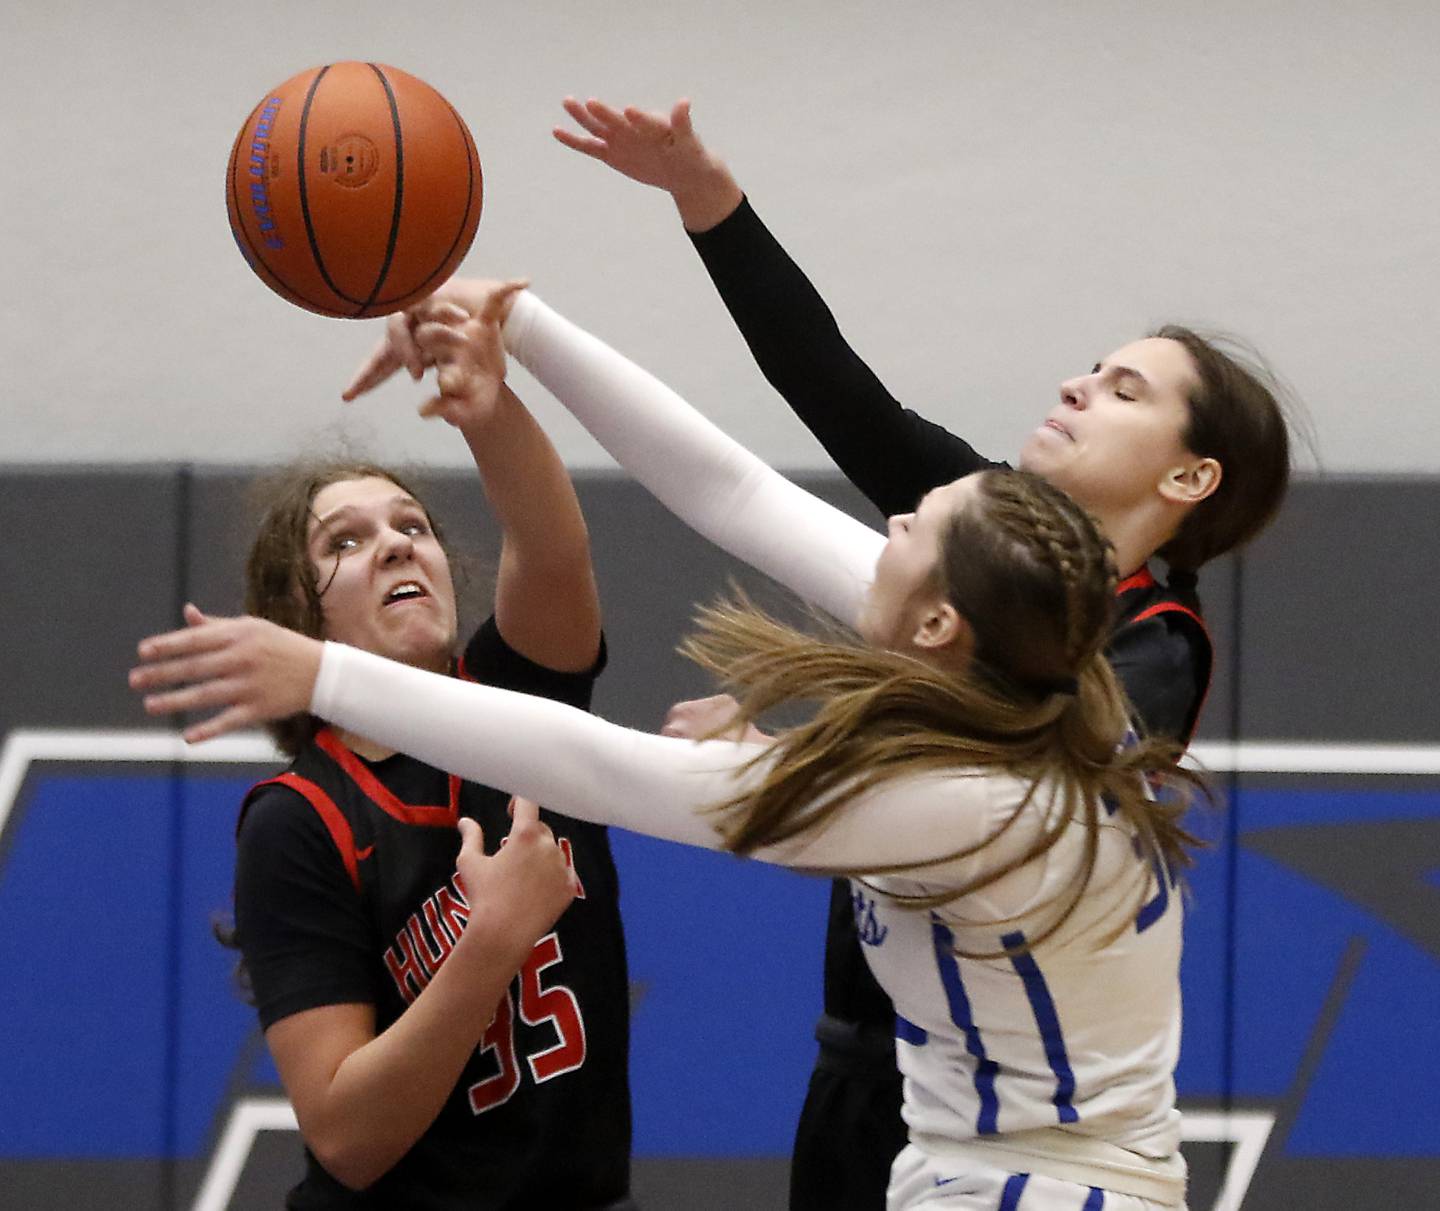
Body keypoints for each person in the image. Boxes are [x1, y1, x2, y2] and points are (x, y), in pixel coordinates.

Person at [134, 284, 1209, 1210]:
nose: (884, 530)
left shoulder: (970, 795)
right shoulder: (1015, 669)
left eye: (913, 524)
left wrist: (321, 672)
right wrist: (521, 317)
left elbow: (604, 767)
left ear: (938, 622)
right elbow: (730, 488)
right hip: (967, 1166)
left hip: (1050, 1185)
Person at [552, 97, 1293, 1209]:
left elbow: (1004, 785)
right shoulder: (977, 529)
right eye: (1093, 367)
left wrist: (783, 766)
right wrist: (709, 202)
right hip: (866, 1066)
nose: (1077, 385)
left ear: (1188, 479)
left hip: (1022, 1113)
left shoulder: (1157, 645)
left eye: (1125, 389)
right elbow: (835, 394)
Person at [199, 286, 634, 1209]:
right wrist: (492, 941)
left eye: (413, 526)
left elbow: (554, 553)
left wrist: (489, 407)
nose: (395, 544)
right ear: (295, 617)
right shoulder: (299, 819)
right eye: (346, 542)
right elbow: (348, 1137)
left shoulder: (515, 703)